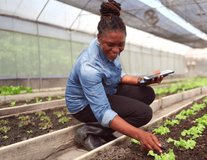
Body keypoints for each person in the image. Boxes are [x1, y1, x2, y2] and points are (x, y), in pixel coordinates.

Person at [65, 0, 163, 153]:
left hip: (106, 89)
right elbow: (103, 111)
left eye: (121, 44)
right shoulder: (89, 67)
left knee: (147, 92)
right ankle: (90, 131)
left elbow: (118, 76)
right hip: (83, 105)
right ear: (99, 38)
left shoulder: (110, 41)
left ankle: (102, 129)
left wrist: (143, 79)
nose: (116, 50)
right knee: (144, 114)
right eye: (111, 45)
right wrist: (140, 135)